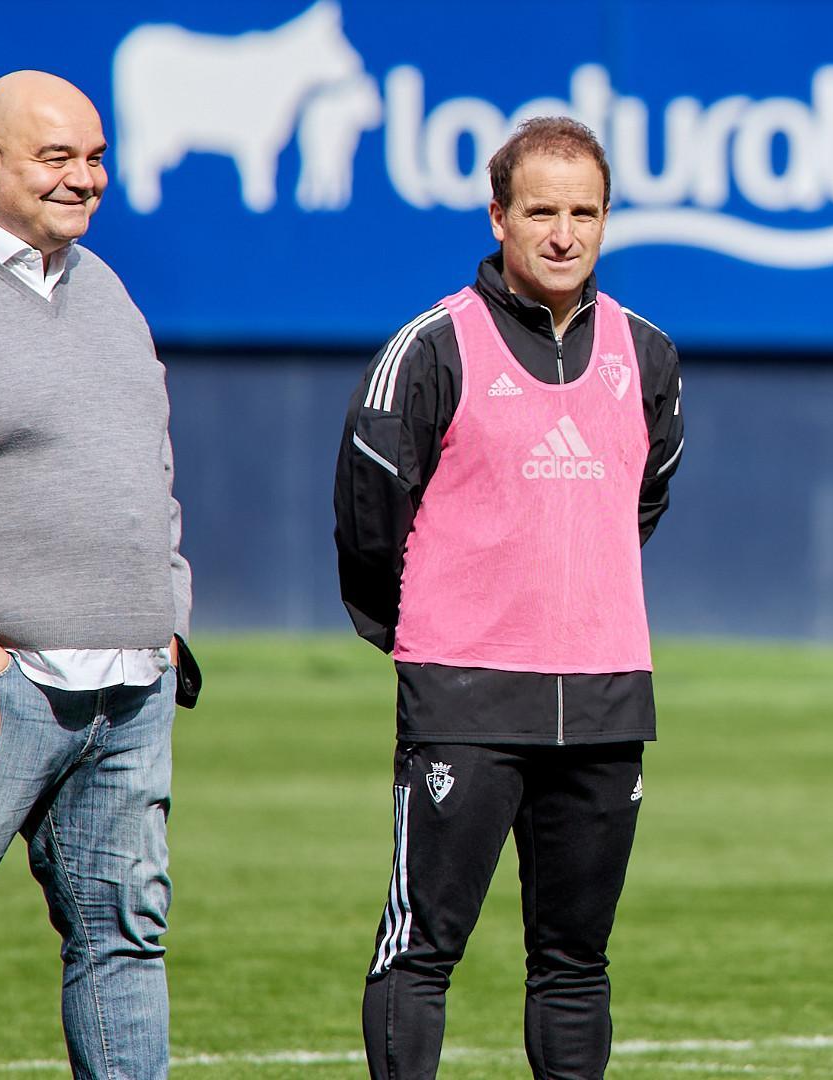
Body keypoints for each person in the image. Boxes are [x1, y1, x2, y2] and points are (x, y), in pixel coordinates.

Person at [334, 116, 685, 1080]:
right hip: (466, 700)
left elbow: (639, 502)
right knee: (422, 950)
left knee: (575, 964)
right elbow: (369, 527)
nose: (564, 233)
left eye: (584, 212)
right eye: (541, 211)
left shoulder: (647, 356)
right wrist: (439, 637)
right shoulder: (433, 348)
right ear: (499, 216)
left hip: (609, 700)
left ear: (608, 219)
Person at [0, 70, 197, 1080]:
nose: (84, 178)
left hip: (130, 686)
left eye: (95, 157)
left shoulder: (103, 284)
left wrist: (169, 609)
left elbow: (148, 459)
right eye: (56, 157)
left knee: (127, 940)